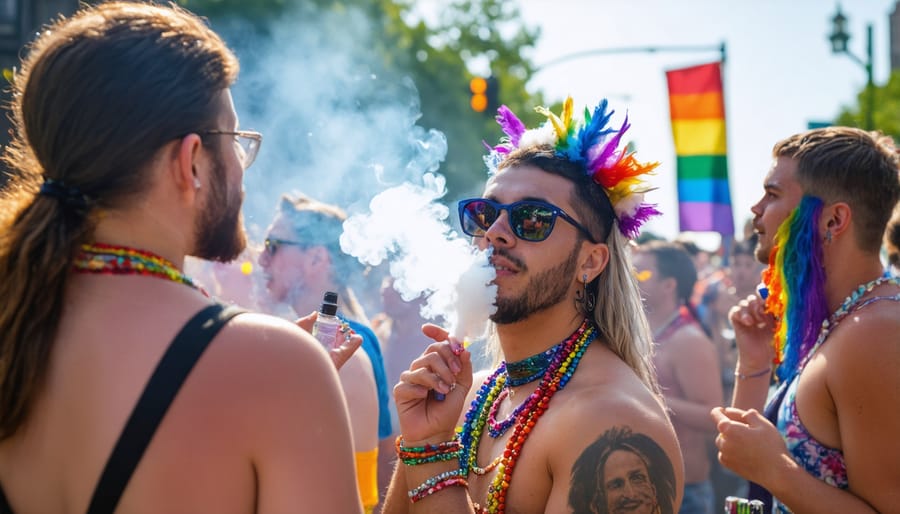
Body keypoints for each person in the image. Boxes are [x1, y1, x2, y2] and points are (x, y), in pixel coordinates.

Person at [0, 3, 362, 513]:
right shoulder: (278, 368)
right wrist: (282, 379)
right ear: (190, 160)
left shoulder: (15, 315)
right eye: (234, 141)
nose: (241, 166)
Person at [382, 97, 684, 513]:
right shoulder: (472, 398)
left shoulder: (610, 421)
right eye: (484, 214)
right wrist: (422, 440)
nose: (497, 233)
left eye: (533, 219)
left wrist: (433, 450)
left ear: (590, 261)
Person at [711, 126, 900, 513]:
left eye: (773, 194)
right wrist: (754, 360)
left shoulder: (875, 331)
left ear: (833, 221)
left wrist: (776, 471)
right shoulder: (844, 320)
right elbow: (741, 451)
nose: (756, 208)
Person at [258, 193, 393, 513]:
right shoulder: (355, 335)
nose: (262, 259)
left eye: (272, 246)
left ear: (317, 259)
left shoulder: (346, 347)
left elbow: (376, 475)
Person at [633, 241, 722, 514]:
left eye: (642, 274)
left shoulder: (689, 340)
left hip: (683, 494)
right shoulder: (641, 334)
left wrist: (649, 398)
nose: (631, 279)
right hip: (640, 491)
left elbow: (714, 417)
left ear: (669, 285)